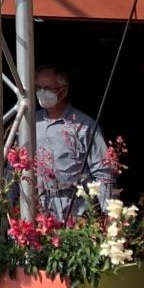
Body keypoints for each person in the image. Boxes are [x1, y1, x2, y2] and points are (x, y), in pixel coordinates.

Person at [32, 63, 115, 220]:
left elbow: (103, 171)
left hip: (76, 209)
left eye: (47, 88)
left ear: (63, 91)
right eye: (38, 88)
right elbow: (13, 170)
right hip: (39, 209)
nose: (41, 93)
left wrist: (110, 214)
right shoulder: (30, 124)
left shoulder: (85, 126)